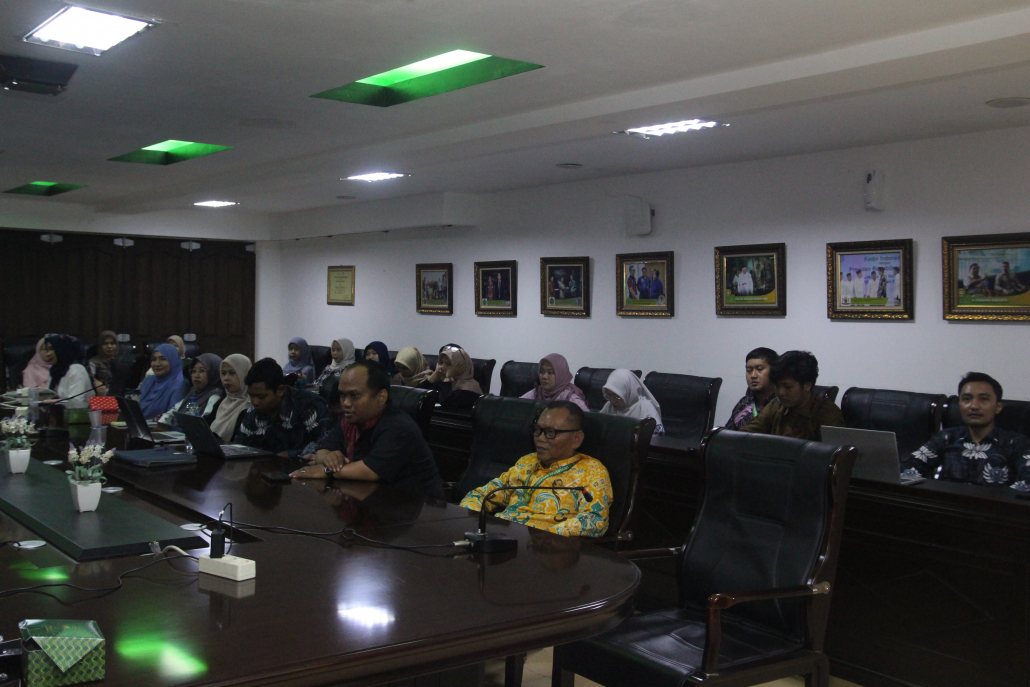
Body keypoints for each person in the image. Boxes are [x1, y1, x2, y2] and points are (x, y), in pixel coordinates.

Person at [289, 361, 445, 499]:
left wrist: (326, 470)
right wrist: (329, 457)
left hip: (418, 510)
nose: (346, 403)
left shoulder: (399, 426)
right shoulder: (349, 421)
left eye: (355, 395)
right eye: (342, 395)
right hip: (372, 501)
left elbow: (369, 471)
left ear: (381, 397)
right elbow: (322, 451)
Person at [460, 401, 613, 537]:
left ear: (576, 439)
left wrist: (548, 536)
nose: (540, 438)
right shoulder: (528, 462)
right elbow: (483, 494)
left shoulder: (592, 471)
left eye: (551, 432)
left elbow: (595, 520)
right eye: (537, 430)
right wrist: (469, 520)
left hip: (546, 547)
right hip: (503, 537)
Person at [902, 373, 1030, 489]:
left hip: (994, 505)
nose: (974, 406)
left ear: (998, 407)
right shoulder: (947, 437)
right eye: (967, 399)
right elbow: (908, 466)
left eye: (983, 399)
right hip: (945, 503)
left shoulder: (1016, 443)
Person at [232, 358, 332, 460]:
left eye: (261, 396)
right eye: (251, 396)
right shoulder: (252, 413)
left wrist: (289, 455)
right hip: (261, 467)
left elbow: (324, 445)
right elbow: (239, 447)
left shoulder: (310, 405)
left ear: (280, 390)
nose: (255, 402)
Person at [741, 350, 843, 441]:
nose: (781, 392)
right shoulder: (777, 405)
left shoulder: (827, 414)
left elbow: (833, 453)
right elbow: (746, 434)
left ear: (807, 385)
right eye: (777, 386)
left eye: (788, 387)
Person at [160, 353, 225, 425]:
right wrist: (161, 422)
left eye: (202, 371)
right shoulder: (194, 391)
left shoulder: (215, 395)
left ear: (214, 372)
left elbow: (204, 421)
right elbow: (174, 410)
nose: (196, 375)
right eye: (194, 371)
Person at [725, 347, 779, 430]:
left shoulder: (782, 404)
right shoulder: (744, 402)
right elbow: (727, 434)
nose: (753, 375)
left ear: (774, 371)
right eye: (749, 370)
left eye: (759, 369)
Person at [599, 369, 664, 435]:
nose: (612, 401)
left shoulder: (645, 407)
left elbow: (657, 435)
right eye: (609, 395)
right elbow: (597, 426)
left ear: (628, 392)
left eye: (617, 396)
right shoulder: (609, 406)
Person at [419, 346, 483, 410]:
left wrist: (447, 380)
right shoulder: (448, 381)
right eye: (441, 363)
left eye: (448, 364)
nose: (442, 367)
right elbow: (418, 396)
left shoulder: (468, 388)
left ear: (460, 367)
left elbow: (446, 403)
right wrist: (435, 373)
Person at [520, 354, 589, 411]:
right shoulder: (537, 392)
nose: (544, 377)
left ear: (560, 374)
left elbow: (588, 420)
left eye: (550, 372)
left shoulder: (570, 398)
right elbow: (517, 406)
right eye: (542, 372)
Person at [138, 343, 190, 419]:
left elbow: (172, 418)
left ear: (173, 361)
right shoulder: (148, 380)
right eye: (154, 359)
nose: (157, 364)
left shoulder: (180, 384)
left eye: (163, 359)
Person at [210, 354, 252, 443]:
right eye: (223, 373)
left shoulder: (250, 407)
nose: (226, 378)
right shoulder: (220, 403)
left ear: (244, 374)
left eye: (232, 373)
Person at [42, 335, 94, 408]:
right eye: (47, 350)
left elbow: (77, 404)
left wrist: (53, 401)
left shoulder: (76, 370)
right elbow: (50, 396)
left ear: (63, 349)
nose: (48, 354)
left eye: (52, 349)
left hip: (79, 414)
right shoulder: (55, 370)